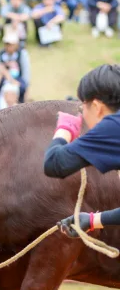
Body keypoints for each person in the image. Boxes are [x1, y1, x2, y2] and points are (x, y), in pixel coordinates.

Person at [43, 64, 120, 238]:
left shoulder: (112, 127)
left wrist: (65, 129)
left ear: (97, 106)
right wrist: (93, 220)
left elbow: (53, 164)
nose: (83, 114)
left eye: (82, 106)